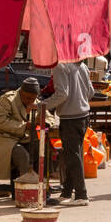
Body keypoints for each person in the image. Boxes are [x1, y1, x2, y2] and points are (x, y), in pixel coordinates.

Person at [43, 58, 95, 206]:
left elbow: (62, 94)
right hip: (83, 116)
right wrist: (79, 100)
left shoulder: (60, 67)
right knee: (74, 155)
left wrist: (42, 106)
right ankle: (66, 192)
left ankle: (81, 195)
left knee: (72, 156)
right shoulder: (83, 66)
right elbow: (90, 92)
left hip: (70, 118)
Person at [0, 77, 41, 191]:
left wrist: (45, 121)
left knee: (40, 149)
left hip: (22, 139)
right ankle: (26, 189)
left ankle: (39, 184)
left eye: (33, 99)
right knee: (22, 156)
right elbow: (0, 122)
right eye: (28, 98)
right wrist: (24, 126)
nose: (30, 101)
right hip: (2, 139)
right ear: (21, 92)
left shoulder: (35, 101)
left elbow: (47, 115)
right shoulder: (7, 100)